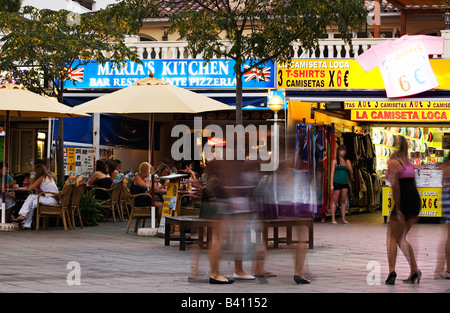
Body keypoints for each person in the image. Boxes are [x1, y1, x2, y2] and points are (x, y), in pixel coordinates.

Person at [385, 136, 421, 285]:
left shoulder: (394, 162)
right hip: (414, 199)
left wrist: (398, 209)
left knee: (392, 237)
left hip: (404, 199)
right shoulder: (409, 163)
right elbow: (413, 183)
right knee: (402, 237)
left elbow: (396, 187)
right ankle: (414, 270)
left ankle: (391, 271)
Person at [13, 164, 59, 229]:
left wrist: (31, 181)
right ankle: (27, 225)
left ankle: (22, 215)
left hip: (51, 199)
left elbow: (30, 189)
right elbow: (35, 188)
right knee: (32, 204)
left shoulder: (41, 178)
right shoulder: (48, 177)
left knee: (31, 196)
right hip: (53, 199)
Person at [434, 154, 450, 279]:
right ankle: (446, 270)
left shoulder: (446, 165)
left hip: (446, 196)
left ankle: (440, 268)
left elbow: (442, 181)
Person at [329, 145, 353, 224]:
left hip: (344, 182)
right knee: (335, 200)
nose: (343, 152)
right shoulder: (335, 161)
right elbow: (332, 173)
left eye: (344, 150)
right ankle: (333, 218)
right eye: (341, 150)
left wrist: (349, 167)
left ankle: (343, 218)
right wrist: (331, 184)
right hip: (337, 181)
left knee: (343, 200)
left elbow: (351, 172)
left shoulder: (347, 161)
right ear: (338, 151)